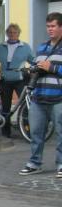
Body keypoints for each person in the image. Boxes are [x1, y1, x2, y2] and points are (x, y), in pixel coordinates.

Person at [19, 12, 62, 177]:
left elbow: (52, 68)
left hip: (58, 98)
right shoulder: (42, 47)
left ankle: (61, 164)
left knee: (60, 134)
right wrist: (32, 70)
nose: (50, 29)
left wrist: (52, 68)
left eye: (53, 26)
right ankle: (35, 163)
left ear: (61, 27)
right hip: (39, 96)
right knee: (36, 132)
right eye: (48, 26)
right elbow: (37, 67)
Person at [0, 23, 33, 137]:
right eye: (10, 32)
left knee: (25, 105)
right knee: (5, 107)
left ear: (18, 34)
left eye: (15, 32)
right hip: (5, 80)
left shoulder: (25, 47)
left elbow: (33, 61)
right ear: (7, 34)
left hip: (20, 80)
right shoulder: (1, 47)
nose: (12, 34)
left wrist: (33, 70)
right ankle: (6, 132)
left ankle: (27, 130)